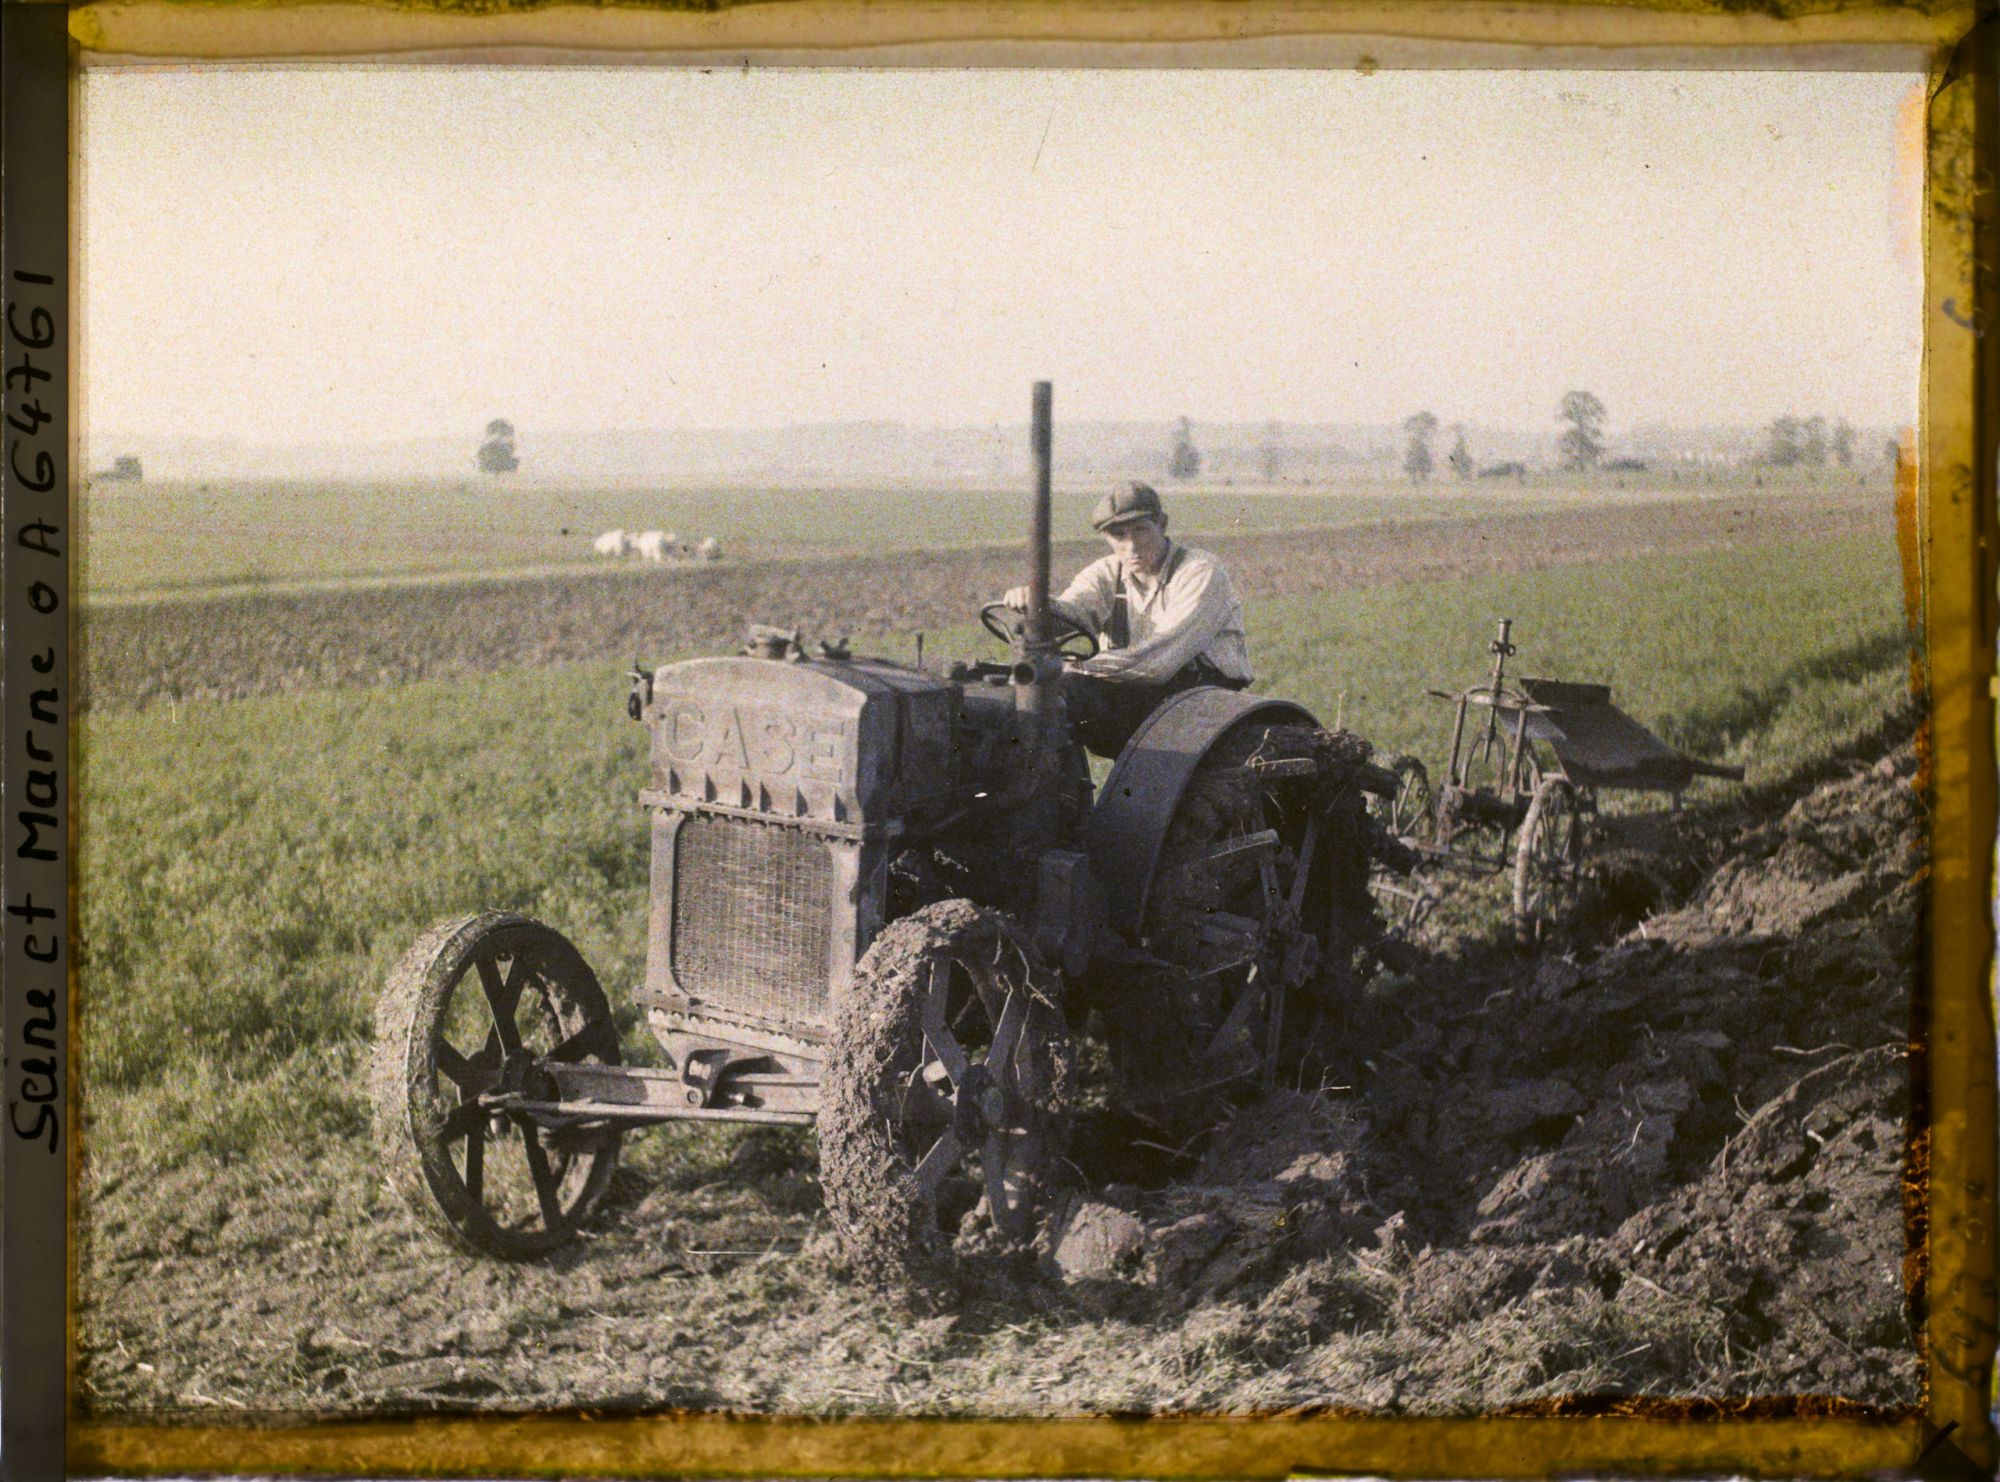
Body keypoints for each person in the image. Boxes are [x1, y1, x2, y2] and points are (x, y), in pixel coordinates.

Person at [1003, 481, 1252, 758]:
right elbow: (1074, 614)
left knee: (1063, 691)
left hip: (1199, 698)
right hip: (1138, 692)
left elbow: (1159, 662)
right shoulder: (1106, 573)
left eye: (1140, 530)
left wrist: (1073, 667)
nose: (1131, 545)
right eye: (1118, 535)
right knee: (1025, 700)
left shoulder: (1199, 571)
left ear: (1162, 524)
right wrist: (1038, 607)